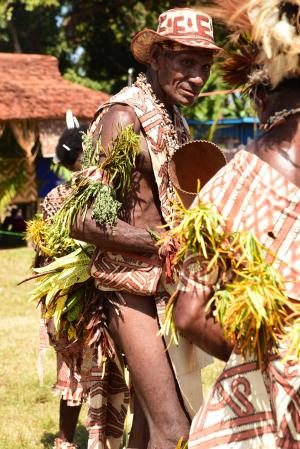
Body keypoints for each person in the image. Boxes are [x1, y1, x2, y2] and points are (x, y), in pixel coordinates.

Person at [69, 7, 221, 449]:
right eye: (185, 63)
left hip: (166, 287)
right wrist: (163, 241)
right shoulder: (123, 118)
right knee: (174, 430)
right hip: (127, 291)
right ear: (154, 58)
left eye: (205, 67)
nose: (197, 77)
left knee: (149, 428)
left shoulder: (174, 117)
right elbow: (83, 219)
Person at [170, 1, 300, 448]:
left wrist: (268, 358)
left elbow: (189, 313)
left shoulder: (233, 185)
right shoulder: (128, 114)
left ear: (260, 96)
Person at [38, 121, 88, 449]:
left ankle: (65, 440)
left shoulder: (55, 196)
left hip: (65, 295)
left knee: (76, 372)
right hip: (75, 297)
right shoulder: (87, 194)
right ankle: (66, 440)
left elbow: (41, 251)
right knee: (76, 371)